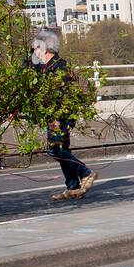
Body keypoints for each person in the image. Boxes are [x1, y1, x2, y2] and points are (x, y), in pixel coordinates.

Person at [29, 29, 97, 202]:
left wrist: (60, 116)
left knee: (55, 149)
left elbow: (65, 93)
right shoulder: (44, 67)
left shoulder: (60, 67)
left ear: (45, 48)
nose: (33, 52)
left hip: (59, 117)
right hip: (53, 115)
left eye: (35, 48)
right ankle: (73, 188)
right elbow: (28, 67)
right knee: (62, 150)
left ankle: (86, 172)